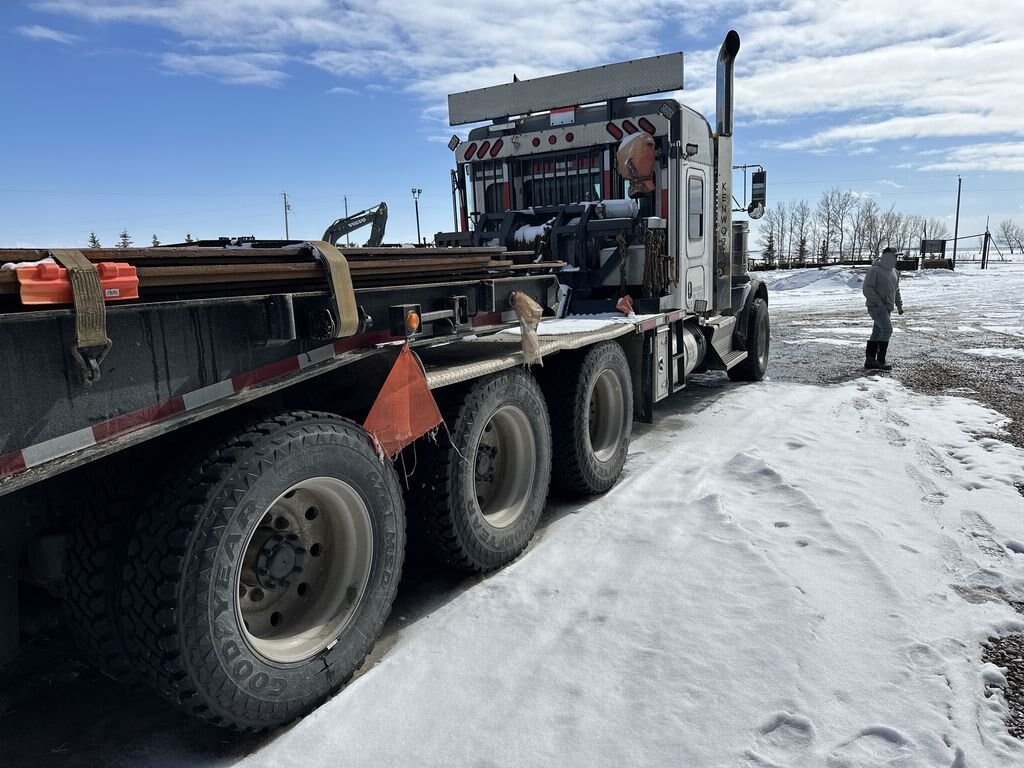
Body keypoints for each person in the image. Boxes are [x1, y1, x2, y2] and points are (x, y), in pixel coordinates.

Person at [862, 247, 905, 370]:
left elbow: (896, 290)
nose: (896, 259)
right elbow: (867, 289)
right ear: (886, 257)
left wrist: (899, 305)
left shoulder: (895, 272)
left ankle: (870, 361)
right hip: (876, 307)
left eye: (897, 257)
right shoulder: (874, 270)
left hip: (887, 308)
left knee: (877, 332)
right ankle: (880, 361)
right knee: (887, 330)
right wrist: (878, 303)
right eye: (894, 256)